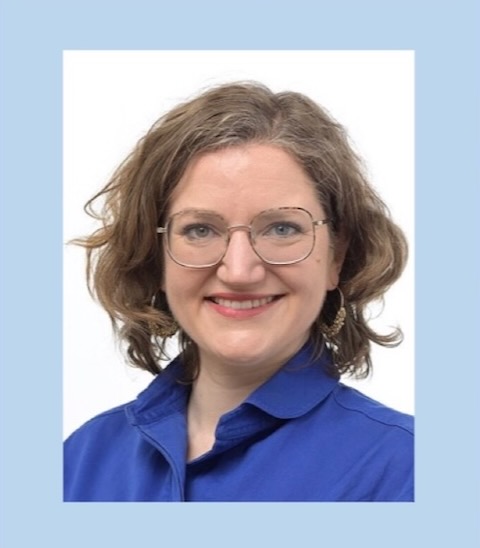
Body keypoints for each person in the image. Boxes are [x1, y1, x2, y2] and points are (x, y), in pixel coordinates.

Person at [63, 81, 413, 502]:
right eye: (200, 230)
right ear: (155, 258)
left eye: (281, 228)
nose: (240, 270)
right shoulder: (80, 461)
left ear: (336, 257)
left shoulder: (408, 470)